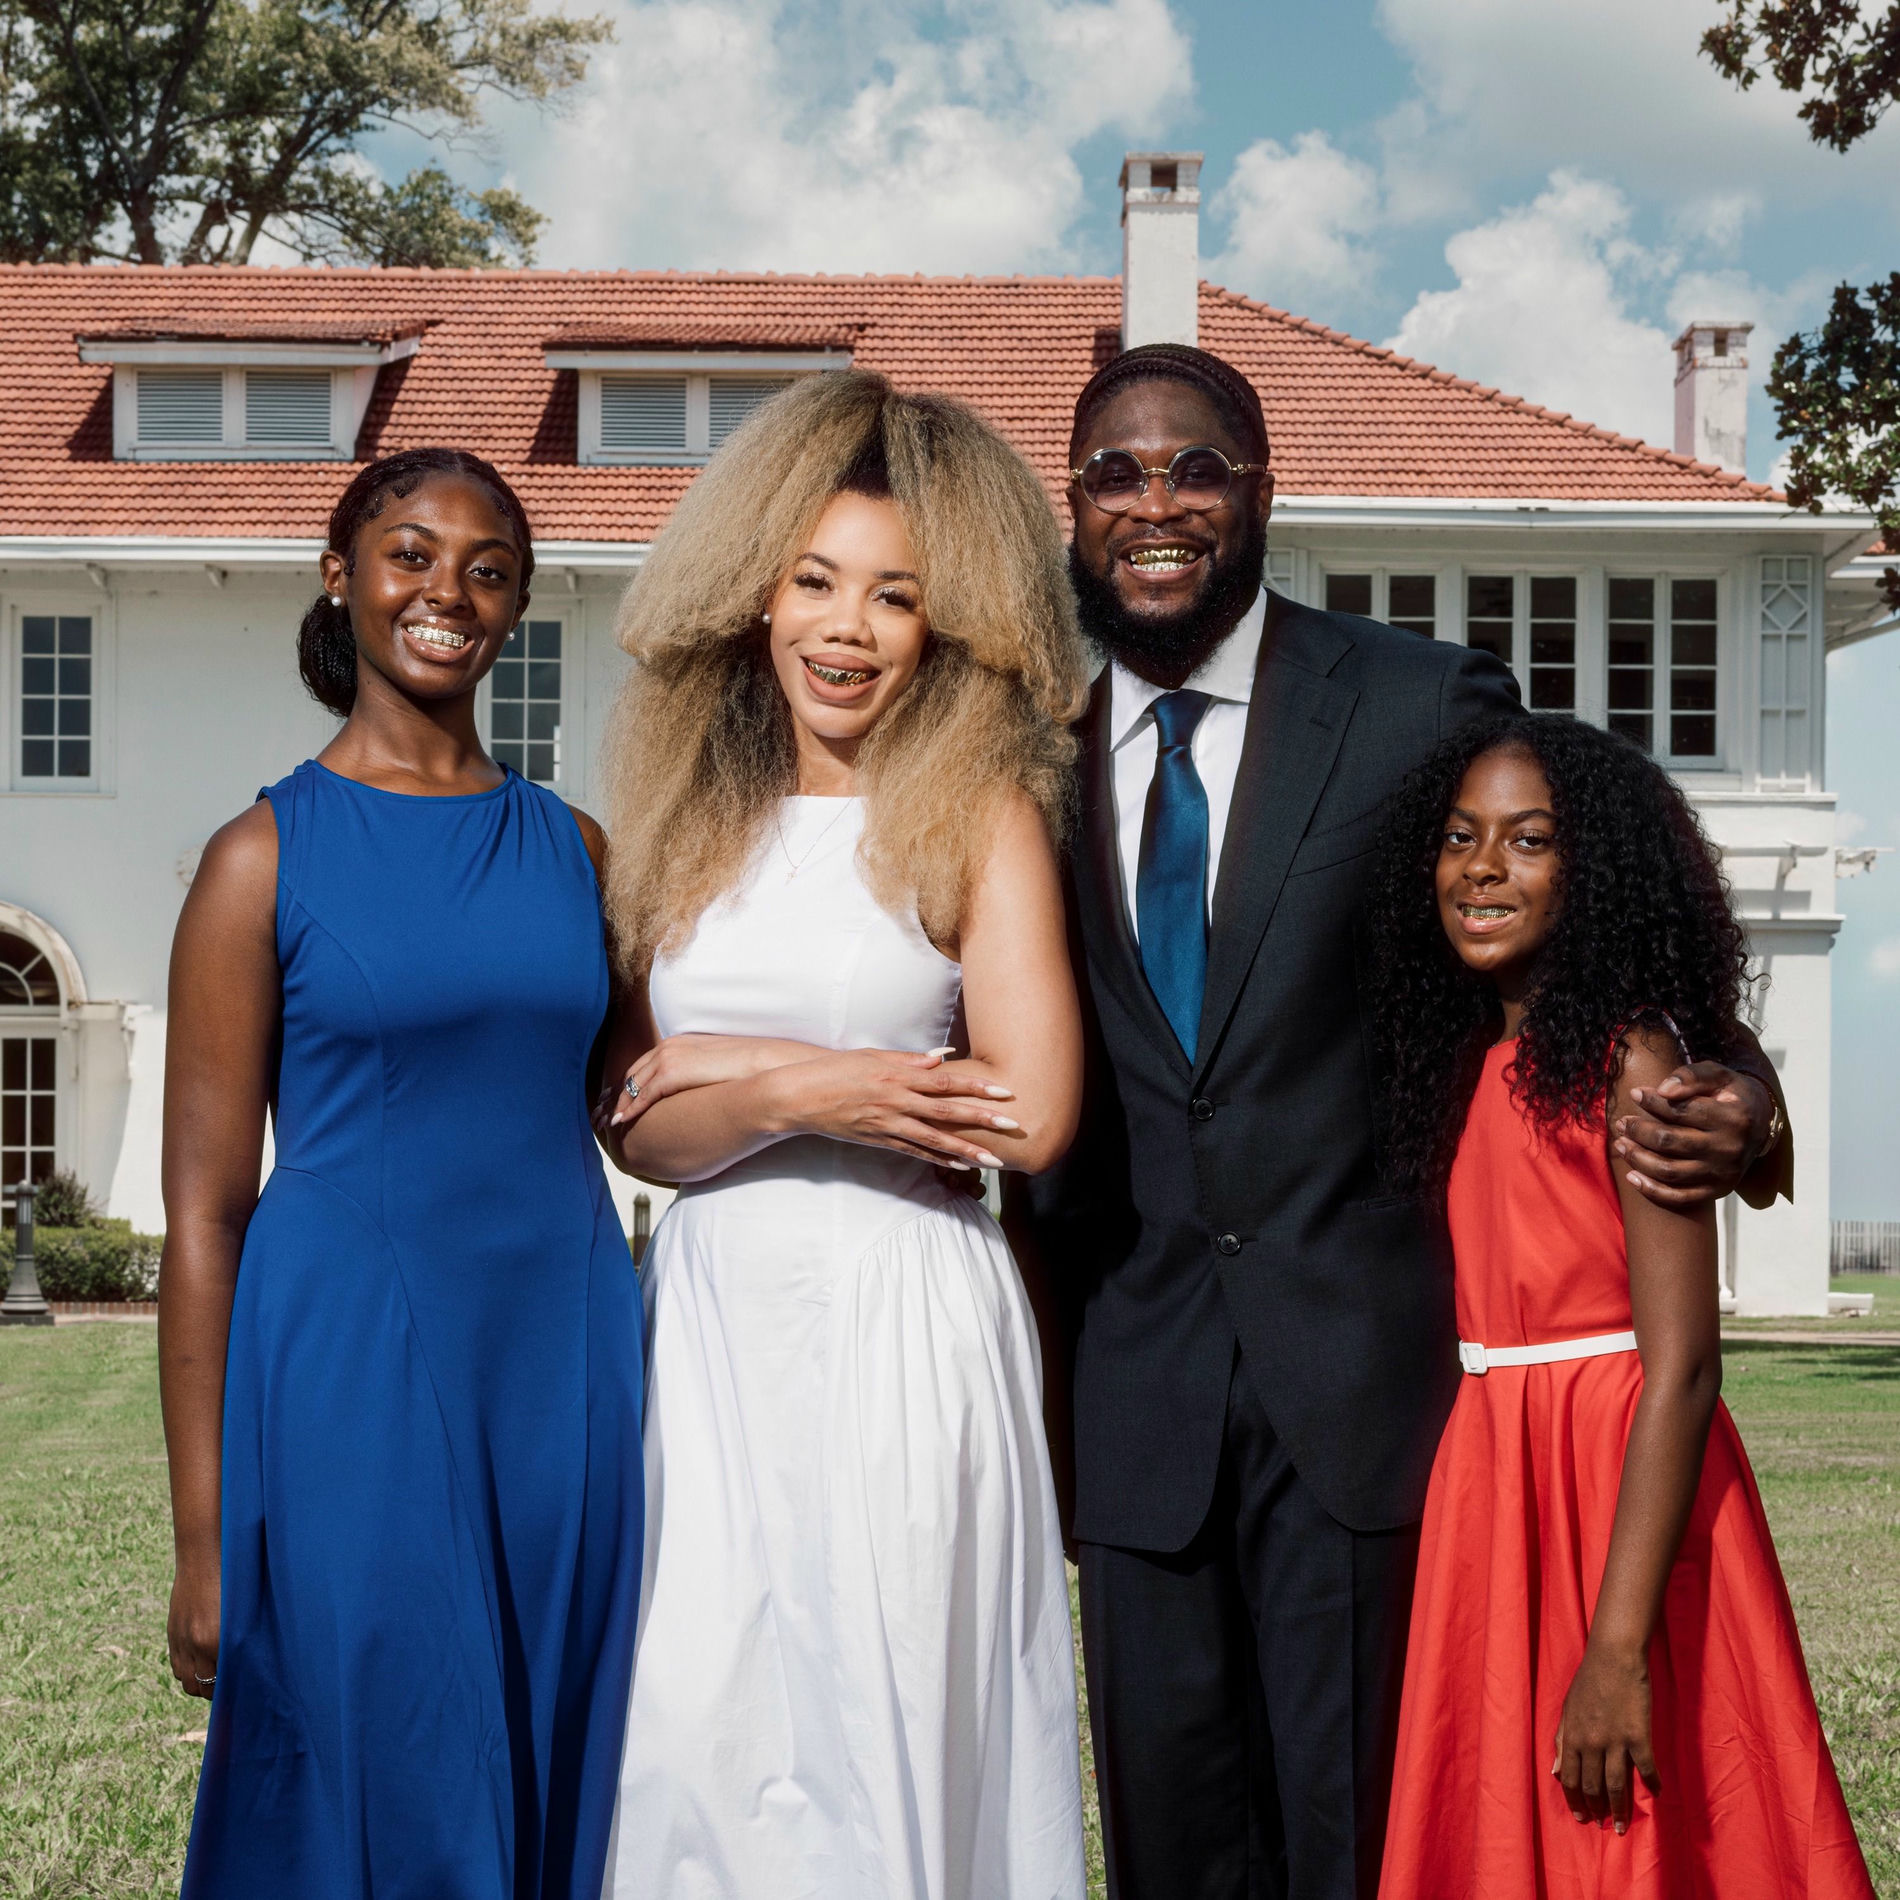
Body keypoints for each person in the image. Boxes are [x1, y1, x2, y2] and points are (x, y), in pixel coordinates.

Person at [1003, 343, 1794, 1900]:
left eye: (1195, 468)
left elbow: (1596, 910)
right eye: (1114, 473)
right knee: (1169, 1852)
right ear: (1073, 510)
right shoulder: (1019, 749)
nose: (1154, 503)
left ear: (1261, 494)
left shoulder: (1418, 703)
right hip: (1135, 1404)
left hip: (1367, 1397)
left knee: (1364, 1843)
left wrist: (1743, 1091)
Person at [592, 370, 1089, 1900]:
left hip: (903, 1317)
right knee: (698, 1718)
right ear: (754, 593)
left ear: (952, 624)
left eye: (894, 597)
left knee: (889, 1713)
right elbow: (633, 1126)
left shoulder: (979, 809)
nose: (844, 630)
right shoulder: (683, 818)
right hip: (714, 1322)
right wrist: (825, 1085)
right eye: (813, 582)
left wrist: (719, 1073)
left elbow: (1032, 1110)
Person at [160, 448, 642, 1899]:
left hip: (564, 1367)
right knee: (384, 1753)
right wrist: (202, 1538)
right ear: (341, 575)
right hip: (354, 1369)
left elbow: (643, 1105)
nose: (449, 592)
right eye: (412, 555)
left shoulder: (577, 850)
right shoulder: (259, 858)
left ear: (519, 607)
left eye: (488, 569)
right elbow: (202, 1215)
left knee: (570, 1739)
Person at [1367, 714, 1872, 1900]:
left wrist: (1613, 1644)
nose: (1482, 868)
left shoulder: (1633, 1063)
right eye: (1459, 838)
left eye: (1529, 840)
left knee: (1637, 1809)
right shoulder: (1460, 1056)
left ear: (1599, 873)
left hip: (1618, 1476)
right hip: (1492, 1471)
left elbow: (1685, 1362)